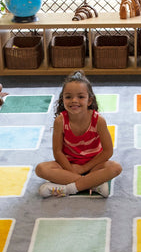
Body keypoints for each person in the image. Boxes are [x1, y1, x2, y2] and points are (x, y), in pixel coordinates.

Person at [35, 70, 122, 198]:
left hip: (94, 165)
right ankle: (93, 185)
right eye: (68, 97)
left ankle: (67, 189)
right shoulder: (60, 121)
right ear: (62, 99)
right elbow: (58, 152)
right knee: (41, 169)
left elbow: (108, 151)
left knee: (115, 167)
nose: (74, 100)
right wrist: (71, 169)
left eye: (80, 97)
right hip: (68, 165)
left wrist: (84, 168)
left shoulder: (98, 120)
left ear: (89, 100)